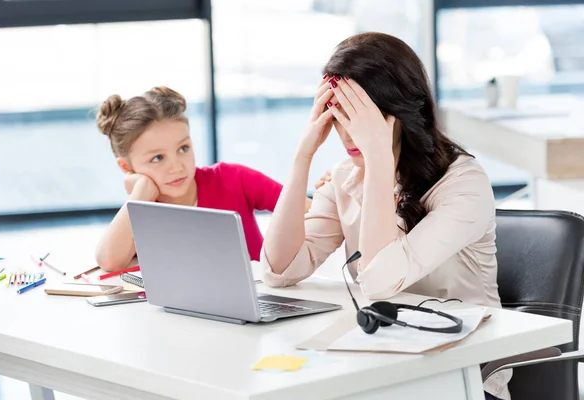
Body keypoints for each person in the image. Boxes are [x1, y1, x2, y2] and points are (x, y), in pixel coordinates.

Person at [260, 33, 509, 400]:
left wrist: (378, 157)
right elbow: (279, 271)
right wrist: (303, 157)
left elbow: (378, 282)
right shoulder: (347, 176)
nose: (346, 132)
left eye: (359, 116)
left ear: (399, 112)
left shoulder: (464, 184)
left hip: (463, 377)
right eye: (337, 114)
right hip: (383, 366)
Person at [94, 86, 310, 272]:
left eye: (183, 148)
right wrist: (140, 192)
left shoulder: (233, 179)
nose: (177, 166)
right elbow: (109, 260)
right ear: (126, 167)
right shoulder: (141, 209)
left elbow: (310, 209)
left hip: (264, 302)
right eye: (157, 158)